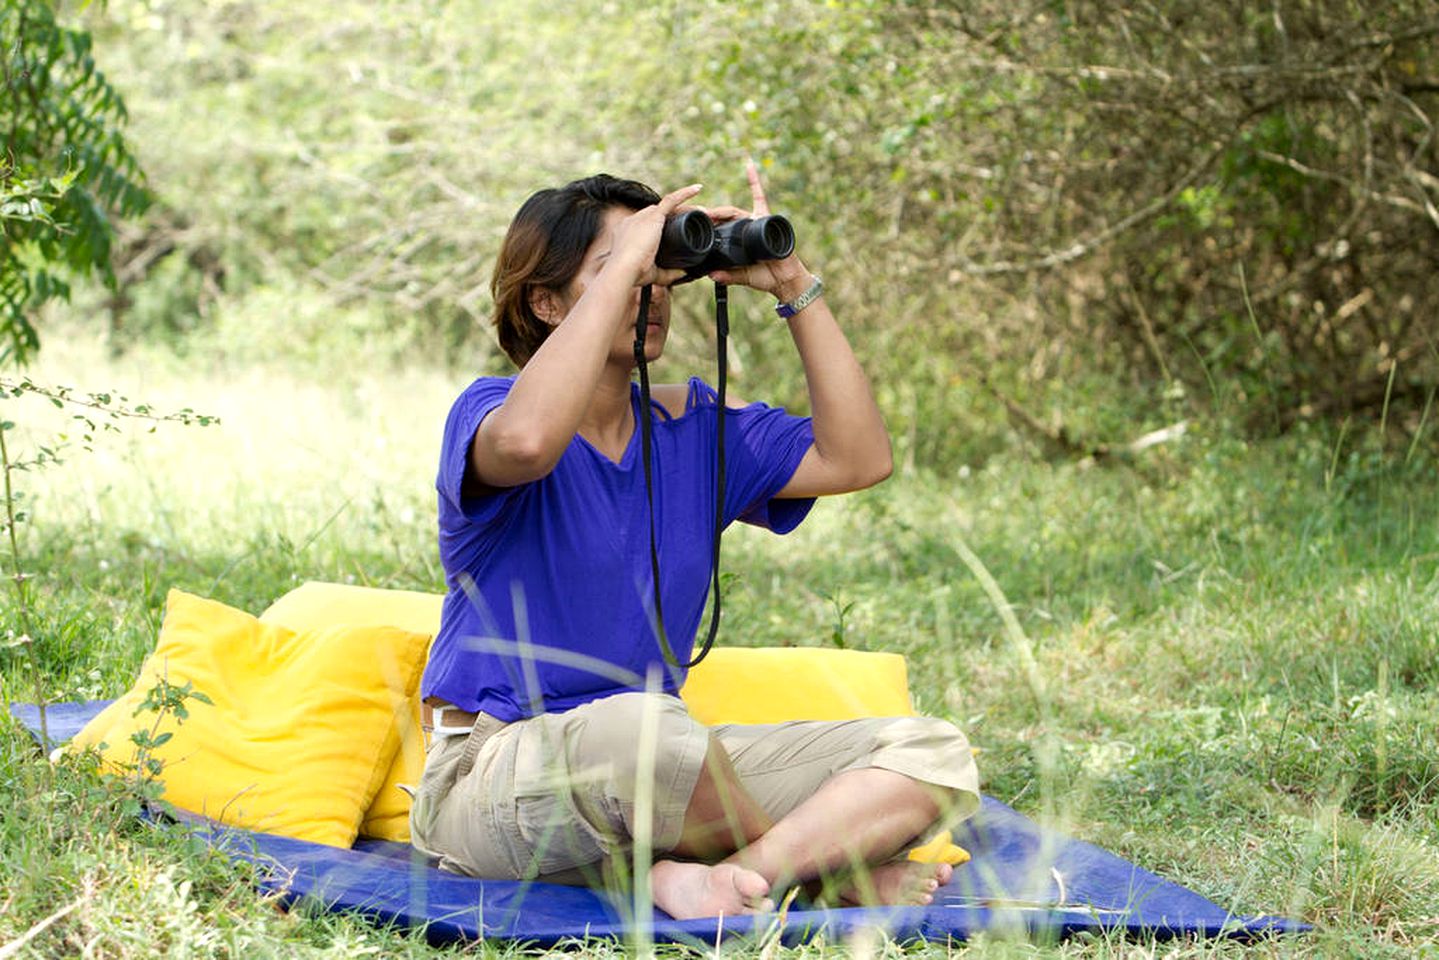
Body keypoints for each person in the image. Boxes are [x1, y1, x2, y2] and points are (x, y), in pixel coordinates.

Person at [409, 162, 980, 921]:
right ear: (545, 302)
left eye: (658, 276)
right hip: (492, 770)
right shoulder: (491, 412)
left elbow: (857, 459)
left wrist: (791, 284)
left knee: (932, 751)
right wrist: (632, 264)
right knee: (641, 731)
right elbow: (525, 445)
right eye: (619, 275)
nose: (650, 294)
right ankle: (810, 876)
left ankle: (726, 878)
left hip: (661, 764)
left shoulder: (695, 429)